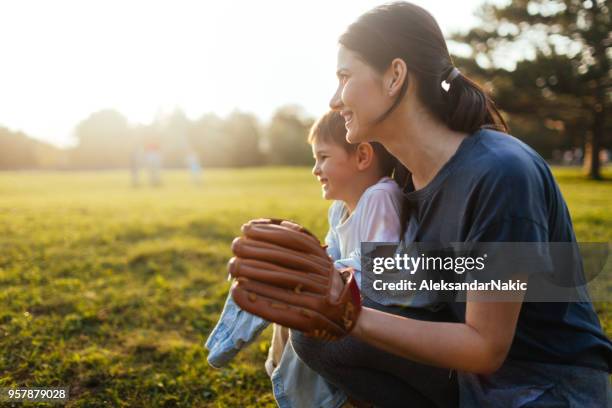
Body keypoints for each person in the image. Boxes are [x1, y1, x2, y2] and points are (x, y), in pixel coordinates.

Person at [235, 2, 612, 407]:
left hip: (546, 387)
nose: (333, 99)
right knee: (318, 338)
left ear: (395, 75)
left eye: (345, 76)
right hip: (472, 382)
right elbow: (427, 281)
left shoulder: (501, 173)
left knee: (344, 328)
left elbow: (486, 348)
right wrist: (332, 275)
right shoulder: (404, 177)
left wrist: (350, 313)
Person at [207, 110, 423, 407]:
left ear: (362, 156)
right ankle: (241, 349)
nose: (315, 169)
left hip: (391, 312)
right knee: (288, 290)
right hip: (356, 302)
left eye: (323, 157)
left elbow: (382, 270)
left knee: (303, 299)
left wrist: (324, 275)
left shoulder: (380, 196)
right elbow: (333, 254)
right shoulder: (339, 209)